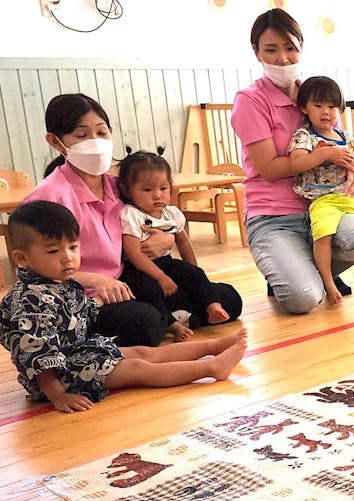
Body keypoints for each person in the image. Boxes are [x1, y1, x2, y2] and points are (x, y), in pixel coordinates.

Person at [24, 93, 242, 347]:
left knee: (228, 299)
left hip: (132, 281)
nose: (95, 142)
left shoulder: (121, 186)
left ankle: (174, 318)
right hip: (85, 295)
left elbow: (156, 222)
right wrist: (96, 280)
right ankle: (163, 320)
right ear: (56, 142)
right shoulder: (47, 198)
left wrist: (166, 238)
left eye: (101, 133)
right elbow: (35, 271)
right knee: (146, 325)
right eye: (81, 136)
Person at [0, 201, 248, 414]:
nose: (68, 257)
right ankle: (212, 367)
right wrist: (57, 395)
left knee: (142, 352)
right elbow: (36, 354)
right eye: (53, 251)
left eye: (73, 247)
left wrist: (96, 302)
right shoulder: (29, 302)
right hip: (64, 376)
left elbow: (78, 316)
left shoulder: (59, 282)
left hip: (82, 354)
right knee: (139, 368)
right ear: (22, 258)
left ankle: (213, 346)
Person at [231, 8, 354, 313]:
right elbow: (269, 169)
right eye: (271, 50)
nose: (283, 59)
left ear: (301, 48)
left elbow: (345, 145)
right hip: (273, 216)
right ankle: (299, 272)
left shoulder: (315, 93)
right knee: (302, 298)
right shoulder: (250, 100)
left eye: (290, 48)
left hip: (325, 206)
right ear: (256, 52)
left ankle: (310, 269)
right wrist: (324, 156)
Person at [288, 75, 354, 300]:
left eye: (332, 106)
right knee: (323, 237)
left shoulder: (346, 137)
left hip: (351, 199)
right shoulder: (305, 136)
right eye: (318, 106)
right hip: (322, 201)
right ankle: (328, 281)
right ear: (304, 108)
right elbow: (295, 163)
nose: (326, 112)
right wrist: (324, 154)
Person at [116, 150, 233, 340]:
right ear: (127, 190)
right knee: (148, 289)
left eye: (163, 188)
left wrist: (194, 275)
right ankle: (173, 324)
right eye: (147, 190)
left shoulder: (172, 213)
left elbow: (184, 242)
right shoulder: (131, 214)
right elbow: (133, 253)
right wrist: (161, 277)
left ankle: (212, 306)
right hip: (140, 269)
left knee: (196, 274)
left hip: (166, 262)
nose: (157, 196)